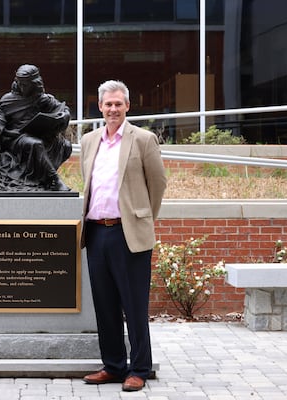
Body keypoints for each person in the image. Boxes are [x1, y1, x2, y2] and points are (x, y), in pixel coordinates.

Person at [80, 80, 167, 392]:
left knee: (133, 305)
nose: (113, 109)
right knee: (105, 305)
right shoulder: (90, 141)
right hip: (95, 231)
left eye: (118, 104)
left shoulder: (143, 139)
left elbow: (157, 184)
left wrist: (140, 218)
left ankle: (139, 369)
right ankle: (114, 366)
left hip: (128, 233)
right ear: (100, 107)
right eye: (108, 104)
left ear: (128, 106)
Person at [0, 64, 72, 191]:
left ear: (34, 84)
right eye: (20, 83)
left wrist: (64, 115)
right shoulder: (8, 100)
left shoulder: (43, 99)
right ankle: (55, 180)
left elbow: (62, 109)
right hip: (13, 139)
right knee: (34, 143)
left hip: (36, 135)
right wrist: (12, 133)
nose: (22, 87)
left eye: (26, 85)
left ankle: (43, 180)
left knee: (65, 145)